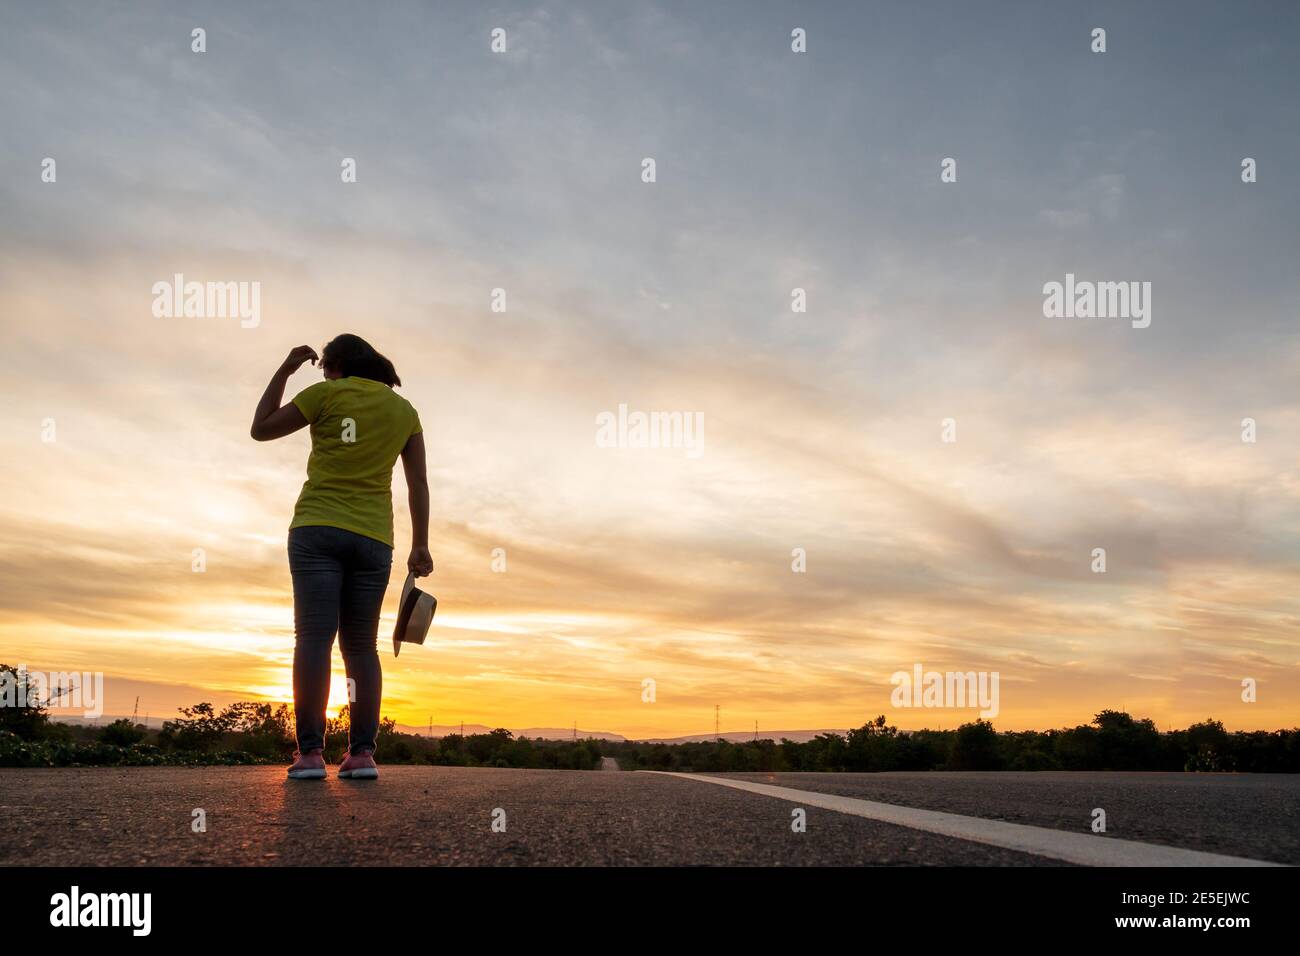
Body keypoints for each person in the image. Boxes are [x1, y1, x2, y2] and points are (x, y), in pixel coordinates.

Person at [250, 334, 433, 780]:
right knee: (361, 648)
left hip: (317, 529)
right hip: (373, 539)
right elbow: (418, 484)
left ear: (335, 367)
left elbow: (262, 428)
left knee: (313, 638)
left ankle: (311, 755)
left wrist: (285, 369)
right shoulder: (404, 412)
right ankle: (362, 754)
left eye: (324, 367)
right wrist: (421, 543)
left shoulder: (324, 394)